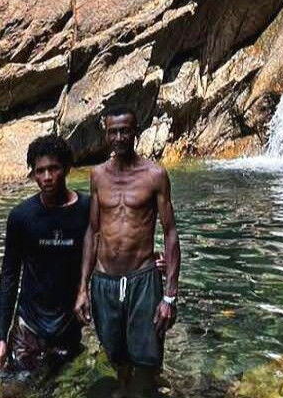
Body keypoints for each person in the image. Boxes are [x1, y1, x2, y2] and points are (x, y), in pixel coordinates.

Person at [74, 106, 181, 392]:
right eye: (113, 131)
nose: (119, 137)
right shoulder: (98, 175)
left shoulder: (155, 175)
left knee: (147, 359)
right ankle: (123, 387)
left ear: (135, 132)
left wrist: (169, 295)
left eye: (125, 131)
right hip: (104, 280)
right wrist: (83, 288)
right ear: (105, 133)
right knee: (116, 354)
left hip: (142, 279)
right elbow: (92, 231)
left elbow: (170, 233)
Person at [0, 135, 91, 374]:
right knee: (13, 390)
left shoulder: (87, 209)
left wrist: (150, 259)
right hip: (29, 326)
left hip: (68, 326)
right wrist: (1, 337)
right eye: (40, 171)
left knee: (60, 387)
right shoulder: (22, 216)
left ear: (66, 169)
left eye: (53, 169)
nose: (46, 177)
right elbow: (9, 276)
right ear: (33, 174)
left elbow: (108, 249)